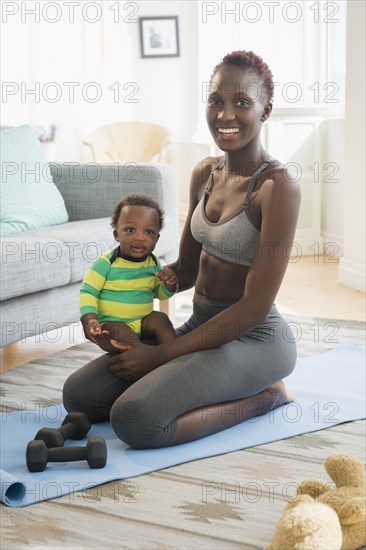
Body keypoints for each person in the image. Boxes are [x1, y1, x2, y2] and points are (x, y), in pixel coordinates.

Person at [63, 50, 301, 449]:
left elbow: (255, 307)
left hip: (254, 338)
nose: (225, 115)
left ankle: (265, 396)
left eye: (241, 102)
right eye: (215, 101)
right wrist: (115, 312)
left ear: (265, 110)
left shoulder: (278, 187)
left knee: (135, 420)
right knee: (80, 396)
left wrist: (162, 356)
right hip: (199, 328)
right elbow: (184, 273)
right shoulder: (205, 172)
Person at [79, 193, 178, 353]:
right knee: (117, 332)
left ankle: (174, 355)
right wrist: (90, 319)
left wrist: (169, 286)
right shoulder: (106, 263)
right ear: (116, 235)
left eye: (149, 232)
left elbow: (158, 294)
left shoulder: (153, 263)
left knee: (161, 320)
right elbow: (88, 292)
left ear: (157, 238)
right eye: (131, 230)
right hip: (111, 325)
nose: (140, 237)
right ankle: (139, 354)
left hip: (142, 321)